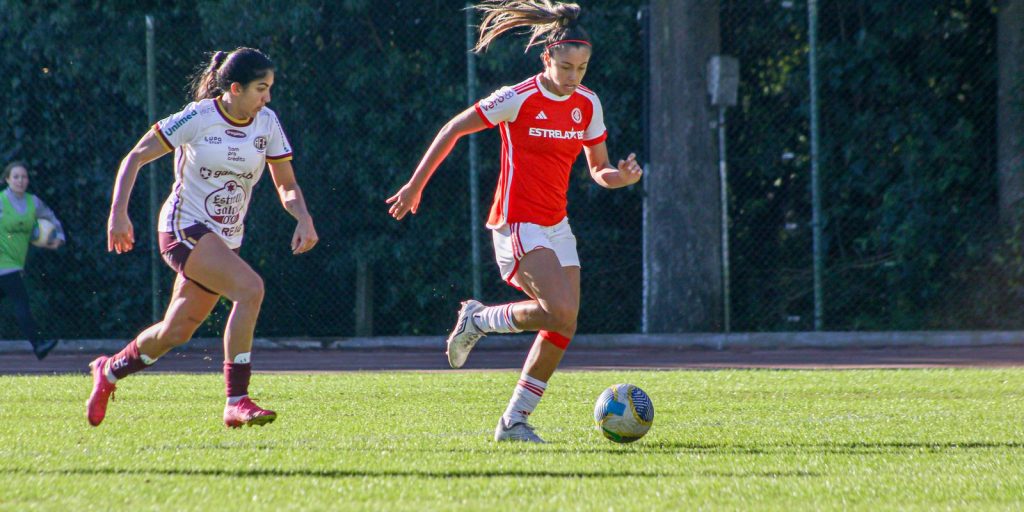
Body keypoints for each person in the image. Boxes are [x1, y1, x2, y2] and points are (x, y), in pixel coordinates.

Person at [386, 0, 643, 442]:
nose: (573, 76)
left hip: (557, 225)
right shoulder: (518, 97)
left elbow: (599, 169)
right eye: (565, 66)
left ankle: (514, 422)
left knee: (564, 323)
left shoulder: (587, 104)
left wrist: (622, 177)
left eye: (582, 68)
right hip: (517, 222)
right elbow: (453, 129)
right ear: (547, 58)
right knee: (557, 310)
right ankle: (479, 320)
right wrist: (415, 186)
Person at [87, 47, 318, 428]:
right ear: (234, 87)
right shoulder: (199, 117)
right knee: (250, 288)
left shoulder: (268, 123)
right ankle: (237, 400)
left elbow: (287, 184)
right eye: (262, 88)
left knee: (176, 330)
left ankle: (109, 371)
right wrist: (118, 213)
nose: (268, 97)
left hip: (225, 238)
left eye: (270, 88)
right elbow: (135, 157)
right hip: (184, 228)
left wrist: (303, 217)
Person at [0, 161, 65, 360]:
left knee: (20, 302)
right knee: (21, 302)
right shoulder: (1, 201)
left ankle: (38, 345)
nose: (20, 180)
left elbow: (51, 219)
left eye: (24, 177)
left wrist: (58, 238)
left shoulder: (33, 202)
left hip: (14, 264)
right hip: (4, 262)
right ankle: (38, 345)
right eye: (16, 177)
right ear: (7, 179)